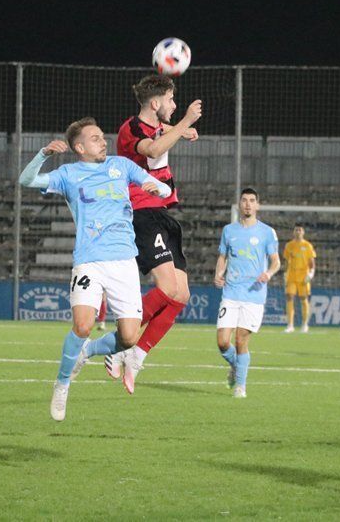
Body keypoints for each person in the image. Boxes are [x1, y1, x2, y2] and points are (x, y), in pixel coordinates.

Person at [18, 117, 171, 422]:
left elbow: (160, 188)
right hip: (89, 259)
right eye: (96, 138)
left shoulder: (121, 166)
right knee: (83, 325)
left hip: (125, 261)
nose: (104, 141)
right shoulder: (68, 174)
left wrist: (157, 189)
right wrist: (44, 155)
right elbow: (26, 181)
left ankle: (87, 352)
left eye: (103, 136)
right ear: (79, 147)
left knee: (128, 338)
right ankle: (62, 384)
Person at [106, 74, 201, 394]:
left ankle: (137, 355)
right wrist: (184, 120)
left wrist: (181, 129)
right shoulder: (130, 128)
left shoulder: (160, 126)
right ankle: (117, 342)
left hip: (164, 214)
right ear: (156, 102)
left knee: (182, 295)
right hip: (142, 213)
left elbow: (162, 135)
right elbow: (153, 148)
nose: (175, 105)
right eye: (171, 100)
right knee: (167, 286)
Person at [214, 188, 280, 398]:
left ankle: (240, 386)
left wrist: (268, 274)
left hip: (254, 294)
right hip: (231, 291)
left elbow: (276, 261)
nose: (248, 204)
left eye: (252, 201)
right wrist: (218, 274)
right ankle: (236, 365)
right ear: (239, 204)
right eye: (244, 200)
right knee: (223, 342)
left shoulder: (267, 232)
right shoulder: (229, 230)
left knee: (241, 340)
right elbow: (223, 257)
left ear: (257, 205)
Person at [283, 225, 316, 333]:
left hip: (303, 276)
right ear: (293, 232)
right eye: (296, 229)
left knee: (303, 298)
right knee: (289, 297)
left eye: (300, 230)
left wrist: (311, 274)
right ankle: (290, 325)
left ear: (303, 232)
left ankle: (305, 324)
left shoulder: (307, 245)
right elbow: (286, 261)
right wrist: (285, 273)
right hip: (291, 275)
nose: (298, 231)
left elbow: (312, 263)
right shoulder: (289, 245)